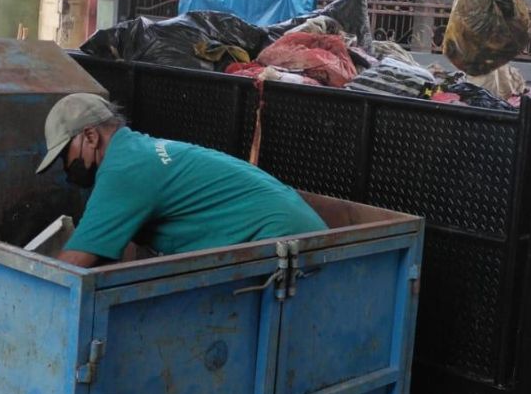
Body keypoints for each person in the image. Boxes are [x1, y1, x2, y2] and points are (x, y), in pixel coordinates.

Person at [35, 93, 327, 268]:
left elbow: (71, 268)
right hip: (297, 230)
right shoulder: (135, 152)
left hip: (286, 243)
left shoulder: (124, 170)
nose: (65, 166)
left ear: (90, 136)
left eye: (65, 154)